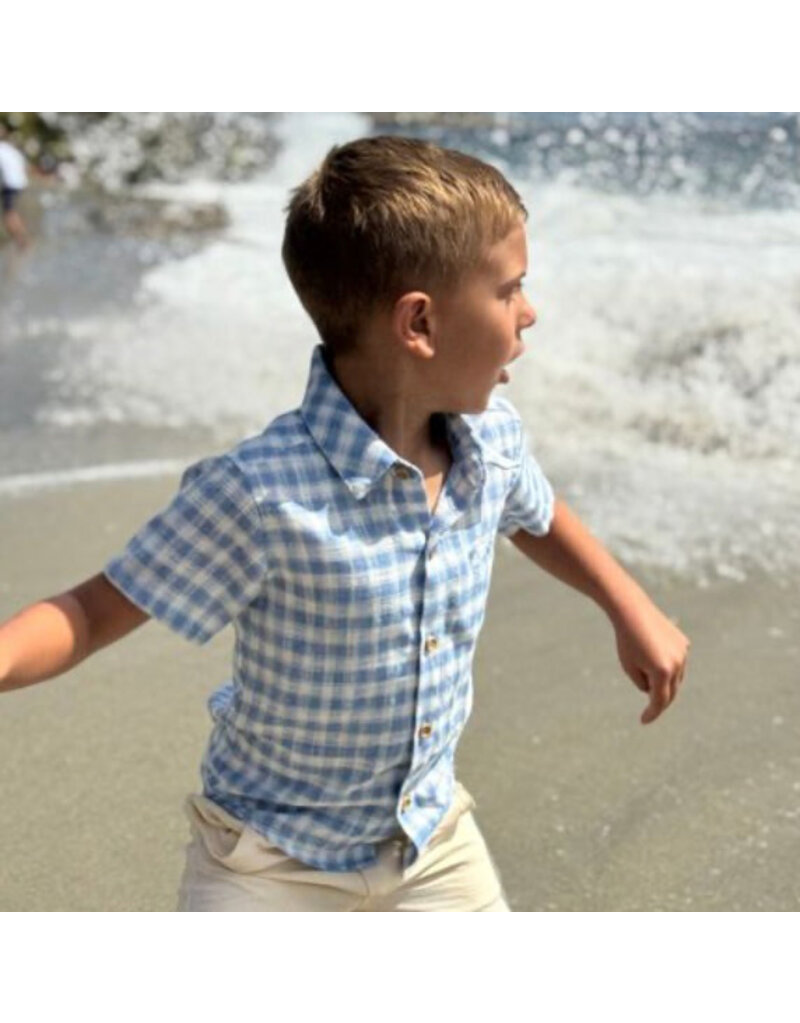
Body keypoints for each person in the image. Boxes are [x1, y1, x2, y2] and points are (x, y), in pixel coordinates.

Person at [0, 136, 689, 911]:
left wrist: (628, 606)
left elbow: (534, 513)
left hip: (429, 842)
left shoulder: (490, 441)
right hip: (266, 864)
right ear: (419, 324)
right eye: (510, 289)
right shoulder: (262, 493)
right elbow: (94, 610)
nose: (531, 312)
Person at [0, 126, 30, 250]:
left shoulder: (2, 149)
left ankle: (22, 241)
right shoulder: (9, 148)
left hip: (11, 184)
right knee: (11, 212)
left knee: (9, 214)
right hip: (18, 183)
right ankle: (23, 239)